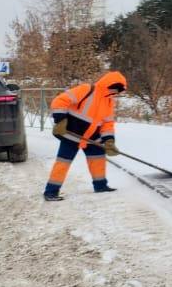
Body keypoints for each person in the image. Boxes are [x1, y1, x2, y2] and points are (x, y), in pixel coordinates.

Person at [44, 71, 128, 201]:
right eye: (116, 89)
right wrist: (60, 120)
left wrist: (109, 140)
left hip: (92, 138)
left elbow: (108, 123)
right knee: (63, 162)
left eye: (118, 91)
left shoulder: (109, 102)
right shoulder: (87, 89)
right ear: (109, 84)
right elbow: (59, 101)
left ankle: (100, 186)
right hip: (72, 134)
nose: (116, 93)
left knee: (98, 159)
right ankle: (51, 192)